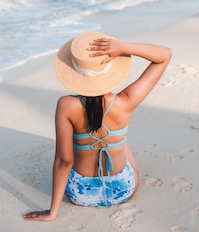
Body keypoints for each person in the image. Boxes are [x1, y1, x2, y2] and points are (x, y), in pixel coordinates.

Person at [23, 30, 171, 222]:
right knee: (122, 141)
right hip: (123, 189)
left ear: (75, 72)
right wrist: (125, 47)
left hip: (81, 194)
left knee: (80, 143)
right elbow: (165, 55)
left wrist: (53, 212)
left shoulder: (66, 105)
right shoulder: (126, 101)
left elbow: (64, 161)